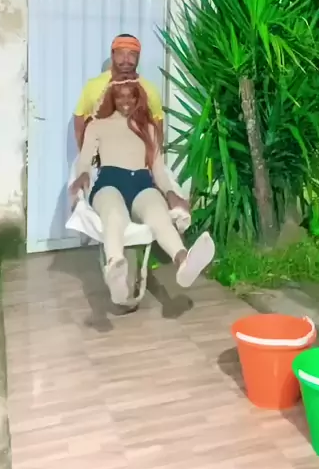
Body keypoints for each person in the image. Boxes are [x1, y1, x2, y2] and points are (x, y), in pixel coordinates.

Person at [69, 80, 215, 307]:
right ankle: (115, 268)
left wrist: (170, 193)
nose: (126, 101)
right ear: (112, 98)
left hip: (142, 183)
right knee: (114, 214)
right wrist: (81, 177)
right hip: (109, 183)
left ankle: (183, 261)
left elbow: (158, 169)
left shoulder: (148, 128)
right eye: (120, 96)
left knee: (159, 215)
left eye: (131, 96)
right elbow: (84, 160)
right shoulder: (97, 125)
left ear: (139, 99)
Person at [73, 34, 164, 150]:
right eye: (120, 54)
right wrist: (86, 154)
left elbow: (157, 130)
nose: (126, 60)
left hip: (136, 157)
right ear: (112, 55)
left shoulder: (149, 89)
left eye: (132, 54)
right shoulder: (93, 86)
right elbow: (80, 121)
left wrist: (152, 158)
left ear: (138, 57)